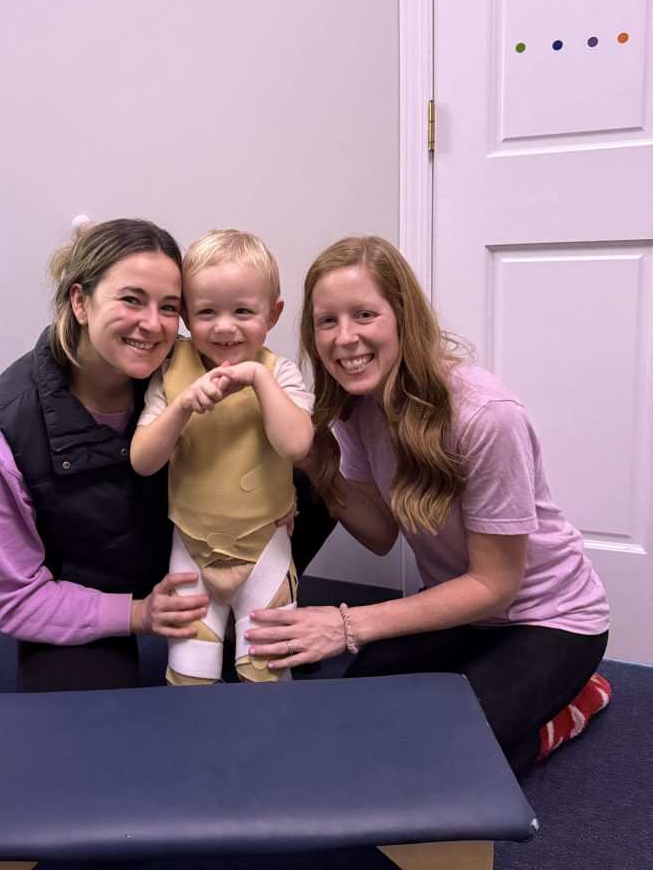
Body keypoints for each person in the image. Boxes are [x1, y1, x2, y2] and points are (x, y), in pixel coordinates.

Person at [244, 235, 611, 777]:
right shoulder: (359, 407)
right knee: (351, 714)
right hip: (460, 612)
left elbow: (496, 585)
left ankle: (576, 702)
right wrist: (313, 463)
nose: (345, 338)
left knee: (455, 759)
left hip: (548, 618)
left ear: (402, 317)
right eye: (327, 321)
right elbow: (380, 535)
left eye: (364, 314)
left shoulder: (486, 416)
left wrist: (346, 625)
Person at [0, 218, 333, 693]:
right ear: (80, 302)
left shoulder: (187, 361)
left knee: (313, 468)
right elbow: (10, 599)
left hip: (206, 544)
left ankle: (241, 618)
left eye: (169, 306)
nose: (152, 325)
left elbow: (289, 431)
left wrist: (280, 491)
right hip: (94, 587)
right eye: (131, 300)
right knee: (90, 719)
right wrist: (136, 614)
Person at [131, 229, 314, 685]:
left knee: (267, 674)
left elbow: (296, 446)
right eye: (207, 312)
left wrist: (258, 379)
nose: (225, 327)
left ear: (272, 314)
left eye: (243, 311)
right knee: (189, 675)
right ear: (186, 315)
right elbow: (143, 461)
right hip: (191, 552)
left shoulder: (279, 373)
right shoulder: (172, 372)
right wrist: (181, 407)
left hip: (265, 552)